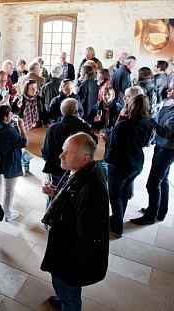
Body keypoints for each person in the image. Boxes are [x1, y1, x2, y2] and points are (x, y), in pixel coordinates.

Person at [41, 133, 109, 311]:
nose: (60, 156)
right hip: (64, 249)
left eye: (66, 153)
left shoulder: (92, 192)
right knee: (64, 291)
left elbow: (88, 239)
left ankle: (68, 302)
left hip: (69, 262)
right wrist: (56, 194)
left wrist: (70, 269)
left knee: (69, 294)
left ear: (85, 158)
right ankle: (64, 298)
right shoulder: (80, 173)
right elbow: (74, 202)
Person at [105, 94, 154, 237]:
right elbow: (146, 143)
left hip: (120, 165)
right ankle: (117, 218)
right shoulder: (148, 123)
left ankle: (117, 227)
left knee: (115, 196)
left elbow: (113, 146)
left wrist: (107, 159)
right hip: (136, 163)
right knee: (124, 192)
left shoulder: (123, 125)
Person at [131, 81, 174, 225]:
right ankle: (160, 211)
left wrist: (151, 121)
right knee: (163, 180)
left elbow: (165, 132)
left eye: (172, 88)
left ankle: (151, 216)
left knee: (153, 183)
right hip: (164, 147)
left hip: (167, 149)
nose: (168, 89)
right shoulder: (169, 104)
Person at [42, 99, 97, 189]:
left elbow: (46, 152)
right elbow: (93, 143)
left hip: (57, 169)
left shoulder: (53, 128)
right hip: (78, 168)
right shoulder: (84, 127)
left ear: (62, 111)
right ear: (76, 111)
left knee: (55, 193)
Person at [0, 105, 28, 222]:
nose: (12, 116)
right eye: (10, 114)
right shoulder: (9, 131)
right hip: (10, 162)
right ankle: (8, 213)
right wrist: (21, 127)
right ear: (5, 118)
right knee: (9, 189)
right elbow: (25, 143)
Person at [12, 79, 49, 175]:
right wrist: (18, 107)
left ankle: (24, 161)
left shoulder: (39, 99)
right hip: (24, 127)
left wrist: (46, 122)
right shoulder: (20, 99)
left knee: (34, 149)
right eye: (32, 88)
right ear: (26, 89)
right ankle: (25, 165)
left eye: (36, 88)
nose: (34, 90)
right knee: (26, 146)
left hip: (36, 127)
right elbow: (13, 112)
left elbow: (43, 112)